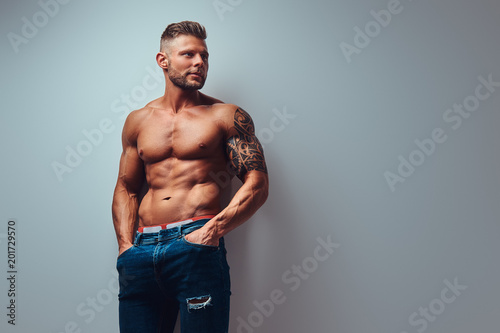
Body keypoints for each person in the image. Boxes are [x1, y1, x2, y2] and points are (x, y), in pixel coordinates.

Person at [111, 21, 269, 333]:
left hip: (196, 243)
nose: (199, 62)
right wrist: (125, 246)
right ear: (163, 60)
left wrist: (211, 232)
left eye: (204, 56)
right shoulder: (138, 121)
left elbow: (257, 183)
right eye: (189, 54)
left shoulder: (225, 116)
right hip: (140, 249)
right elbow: (126, 187)